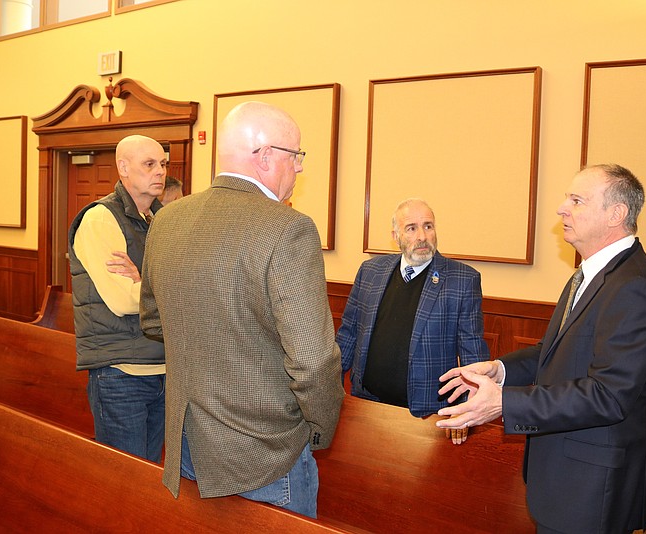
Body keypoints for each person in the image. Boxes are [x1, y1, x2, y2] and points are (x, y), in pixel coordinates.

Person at [436, 164, 646, 533]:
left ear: (616, 214)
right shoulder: (590, 273)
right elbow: (556, 352)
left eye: (576, 200)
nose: (562, 208)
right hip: (569, 472)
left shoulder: (633, 287)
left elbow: (609, 395)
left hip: (594, 486)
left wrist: (504, 402)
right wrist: (499, 369)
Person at [140, 101, 344, 518]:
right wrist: (319, 432)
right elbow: (314, 361)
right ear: (265, 156)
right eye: (297, 155)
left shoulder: (167, 221)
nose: (300, 168)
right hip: (266, 454)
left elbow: (153, 321)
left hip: (188, 446)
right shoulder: (288, 228)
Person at [336, 198, 489, 444]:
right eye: (412, 228)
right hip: (367, 405)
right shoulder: (370, 271)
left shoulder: (461, 280)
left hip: (425, 415)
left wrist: (466, 409)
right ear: (395, 235)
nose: (422, 236)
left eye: (428, 226)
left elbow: (473, 353)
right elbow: (348, 333)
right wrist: (327, 387)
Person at [68, 134, 167, 463]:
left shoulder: (159, 219)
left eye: (163, 164)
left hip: (163, 368)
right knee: (126, 481)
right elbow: (124, 301)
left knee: (152, 478)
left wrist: (142, 278)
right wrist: (153, 284)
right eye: (149, 164)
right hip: (120, 373)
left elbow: (188, 286)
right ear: (123, 168)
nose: (160, 172)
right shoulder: (100, 219)